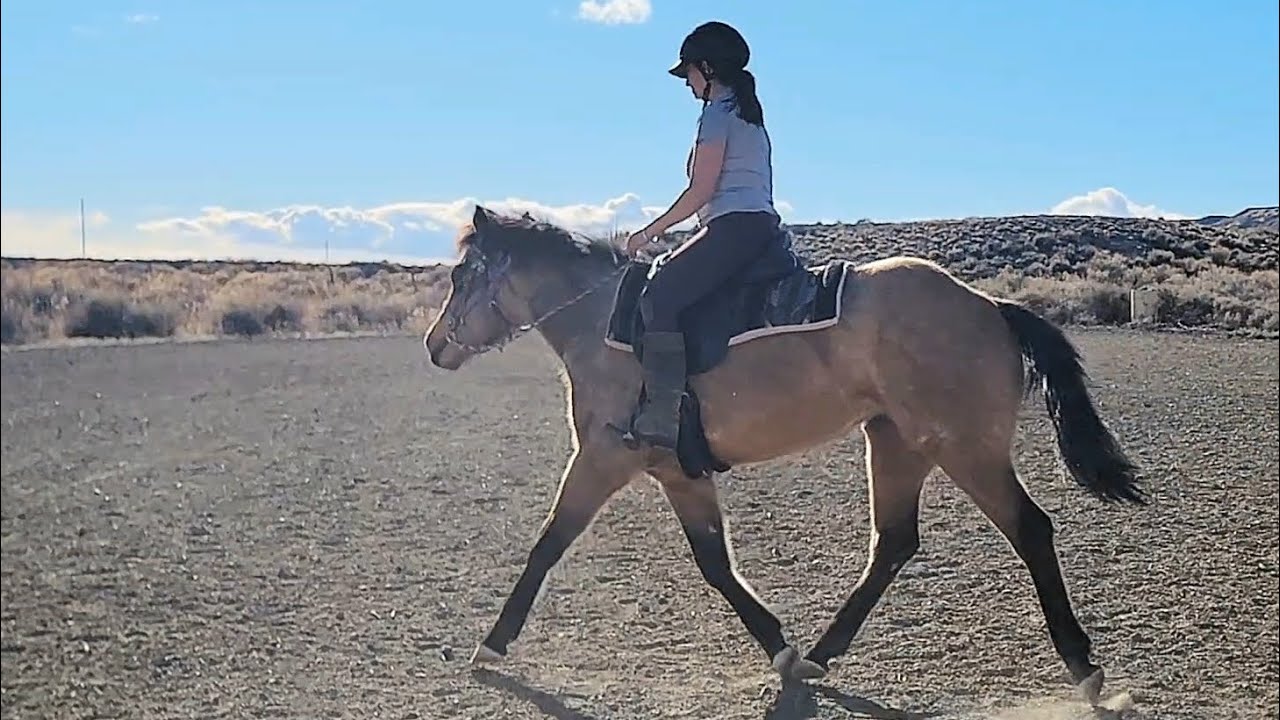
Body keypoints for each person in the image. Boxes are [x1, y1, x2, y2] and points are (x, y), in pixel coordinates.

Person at [620, 20, 783, 452]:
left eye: (689, 72)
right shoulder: (745, 112)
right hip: (753, 224)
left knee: (659, 297)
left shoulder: (717, 114)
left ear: (707, 69)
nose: (687, 82)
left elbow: (701, 191)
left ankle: (663, 415)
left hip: (733, 225)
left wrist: (649, 231)